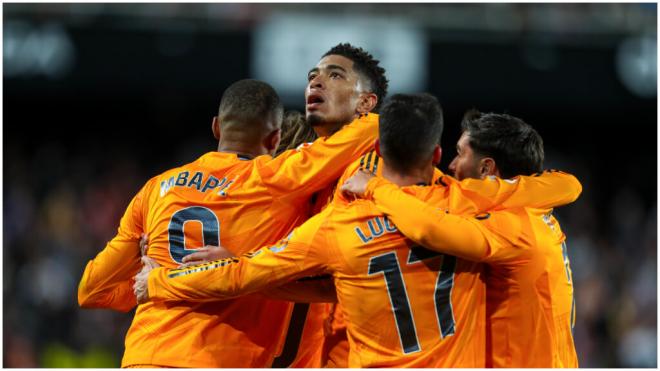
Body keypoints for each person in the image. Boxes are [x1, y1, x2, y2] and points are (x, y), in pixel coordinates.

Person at [134, 94, 582, 367]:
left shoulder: (340, 224)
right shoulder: (462, 205)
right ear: (436, 152)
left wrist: (160, 279)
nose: (452, 164)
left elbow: (248, 275)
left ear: (377, 149)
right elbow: (567, 184)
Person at [77, 78, 381, 368]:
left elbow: (91, 291)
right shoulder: (274, 179)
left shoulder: (155, 189)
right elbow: (372, 130)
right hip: (220, 357)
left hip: (145, 354)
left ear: (216, 127)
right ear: (275, 139)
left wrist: (149, 273)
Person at [341, 109, 579, 367]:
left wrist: (374, 187)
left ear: (486, 168)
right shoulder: (536, 208)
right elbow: (569, 185)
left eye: (460, 153)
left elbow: (429, 229)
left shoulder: (510, 226)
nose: (452, 165)